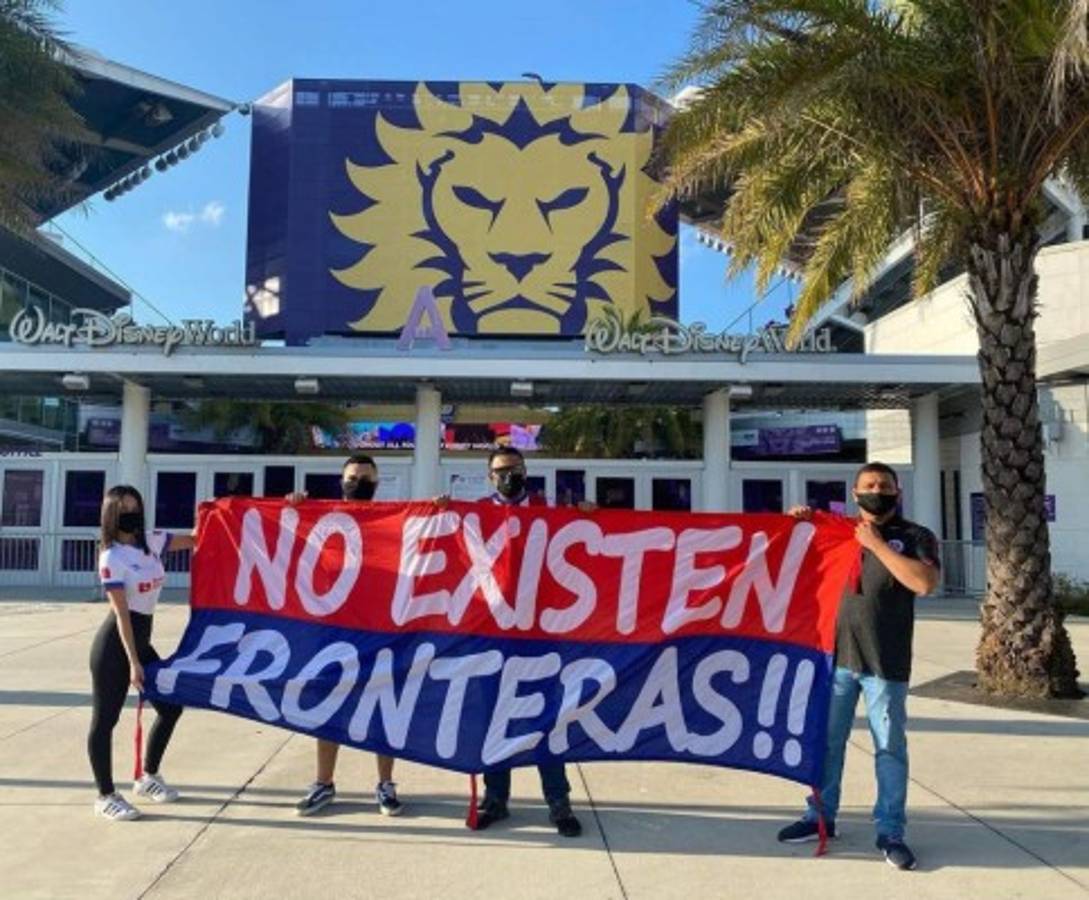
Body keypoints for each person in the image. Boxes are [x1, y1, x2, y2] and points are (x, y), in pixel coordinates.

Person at [777, 462, 940, 870]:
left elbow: (924, 583)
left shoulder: (914, 536)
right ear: (854, 493)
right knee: (827, 744)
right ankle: (820, 816)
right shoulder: (839, 532)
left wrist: (879, 545)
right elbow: (787, 549)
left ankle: (890, 830)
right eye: (869, 485)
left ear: (897, 491)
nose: (876, 491)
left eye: (884, 485)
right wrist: (798, 520)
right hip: (836, 660)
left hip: (886, 663)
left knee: (889, 749)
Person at [438, 446, 592, 838]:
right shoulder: (472, 515)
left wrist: (592, 517)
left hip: (540, 635)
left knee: (546, 719)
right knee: (494, 718)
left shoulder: (549, 511)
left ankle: (558, 802)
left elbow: (585, 544)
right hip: (492, 635)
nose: (508, 476)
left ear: (527, 471)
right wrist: (437, 513)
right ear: (490, 476)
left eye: (514, 469)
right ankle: (496, 798)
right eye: (500, 470)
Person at [293, 454, 403, 818]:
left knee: (382, 710)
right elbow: (286, 544)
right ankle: (324, 782)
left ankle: (385, 784)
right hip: (332, 632)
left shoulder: (392, 519)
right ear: (341, 481)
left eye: (366, 478)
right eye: (353, 477)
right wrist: (293, 509)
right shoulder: (321, 520)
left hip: (379, 631)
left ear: (377, 483)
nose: (359, 483)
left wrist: (439, 510)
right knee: (329, 708)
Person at [90, 485, 196, 821]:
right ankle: (105, 795)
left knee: (170, 707)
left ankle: (147, 776)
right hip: (115, 647)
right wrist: (134, 662)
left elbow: (196, 538)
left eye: (135, 506)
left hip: (142, 640)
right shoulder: (111, 556)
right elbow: (122, 615)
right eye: (124, 508)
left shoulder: (151, 541)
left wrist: (227, 512)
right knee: (105, 721)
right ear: (111, 514)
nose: (131, 513)